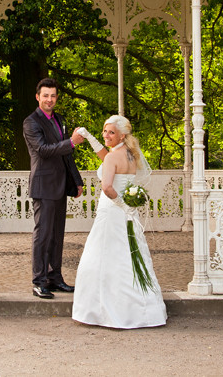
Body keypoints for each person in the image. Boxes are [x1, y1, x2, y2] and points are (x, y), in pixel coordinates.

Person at [72, 115, 167, 329]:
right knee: (129, 256)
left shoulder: (112, 158)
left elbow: (107, 187)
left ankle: (101, 311)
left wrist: (122, 205)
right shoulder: (131, 155)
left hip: (112, 210)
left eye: (111, 132)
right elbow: (106, 155)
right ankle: (141, 310)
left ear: (121, 135)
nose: (106, 135)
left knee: (101, 257)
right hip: (127, 214)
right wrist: (89, 138)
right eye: (104, 131)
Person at [23, 78, 85, 299]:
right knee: (43, 235)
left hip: (60, 186)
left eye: (53, 96)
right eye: (45, 95)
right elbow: (43, 150)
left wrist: (76, 181)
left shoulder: (59, 119)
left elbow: (66, 155)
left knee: (57, 235)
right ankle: (39, 281)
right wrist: (72, 142)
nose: (50, 99)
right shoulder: (31, 122)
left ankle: (55, 278)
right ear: (38, 97)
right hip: (43, 185)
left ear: (56, 98)